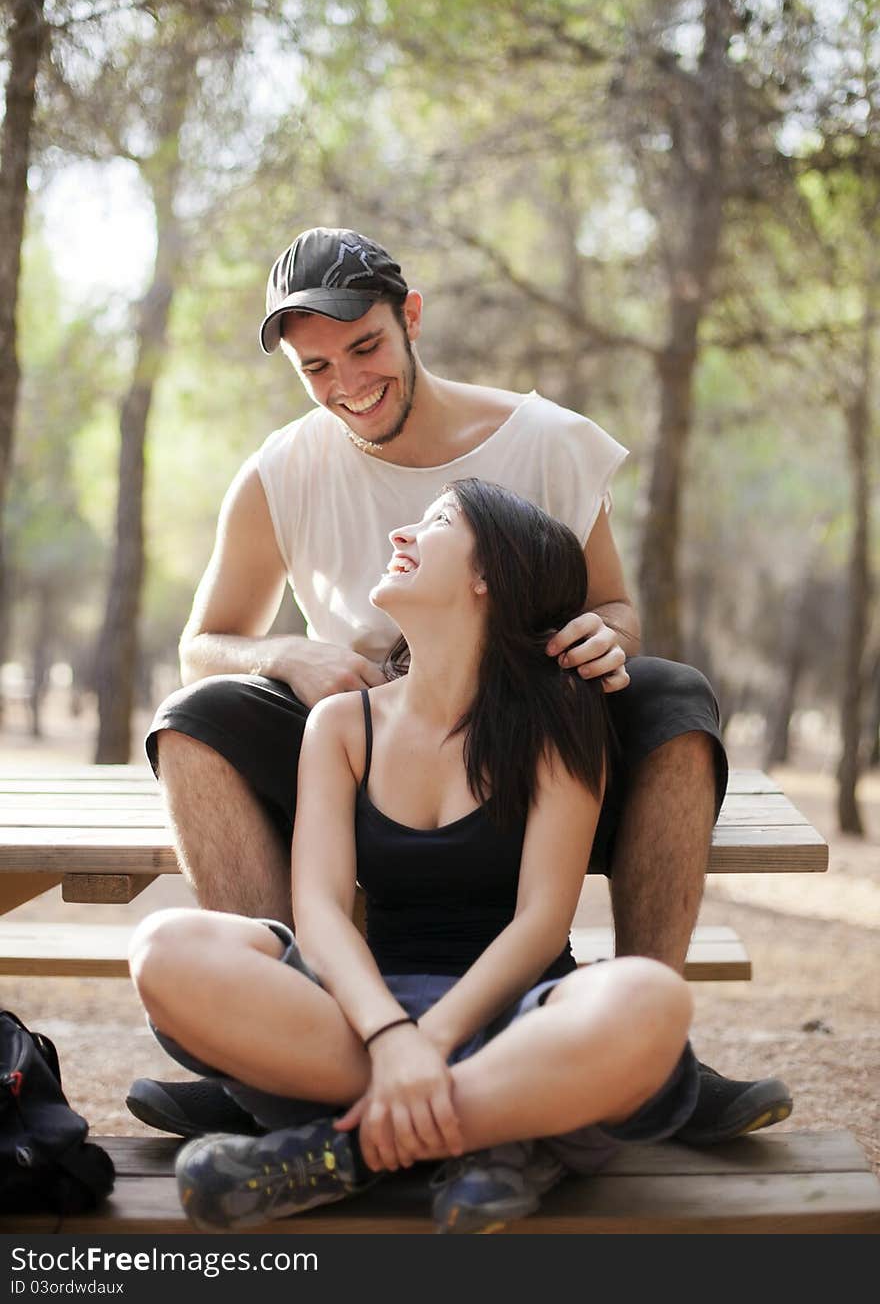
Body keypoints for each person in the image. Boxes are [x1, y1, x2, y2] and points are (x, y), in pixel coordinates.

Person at [127, 226, 792, 1148]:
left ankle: (649, 1058)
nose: (348, 384)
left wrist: (606, 636)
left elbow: (619, 610)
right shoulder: (281, 470)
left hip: (531, 739)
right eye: (316, 368)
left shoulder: (550, 442)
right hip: (368, 744)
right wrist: (282, 655)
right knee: (194, 718)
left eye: (365, 347)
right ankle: (278, 1039)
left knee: (676, 696)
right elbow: (201, 644)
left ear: (411, 318)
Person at [130, 478, 699, 1234]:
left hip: (518, 1019)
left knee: (649, 1003)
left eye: (435, 522)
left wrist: (430, 1042)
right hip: (356, 1025)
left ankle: (351, 1153)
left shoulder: (564, 717)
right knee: (167, 948)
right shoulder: (341, 724)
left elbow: (540, 921)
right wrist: (392, 1035)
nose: (402, 534)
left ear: (488, 573)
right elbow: (321, 909)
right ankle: (505, 1133)